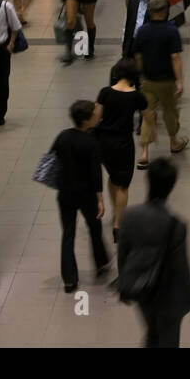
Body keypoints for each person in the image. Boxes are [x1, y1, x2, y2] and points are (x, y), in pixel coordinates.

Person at [116, 158, 190, 347]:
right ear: (171, 187)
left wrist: (123, 284)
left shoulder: (129, 216)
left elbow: (122, 253)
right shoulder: (176, 225)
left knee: (152, 331)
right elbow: (182, 266)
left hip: (142, 289)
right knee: (168, 339)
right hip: (168, 294)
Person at [50, 100, 109, 293]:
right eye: (93, 114)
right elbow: (96, 173)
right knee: (94, 226)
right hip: (86, 195)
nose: (96, 116)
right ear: (85, 120)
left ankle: (69, 279)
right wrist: (100, 198)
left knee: (68, 234)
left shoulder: (63, 136)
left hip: (65, 194)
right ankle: (101, 263)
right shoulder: (91, 143)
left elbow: (52, 160)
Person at [93, 61, 148, 242]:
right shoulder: (138, 97)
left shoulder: (105, 92)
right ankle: (118, 225)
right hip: (123, 143)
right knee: (123, 185)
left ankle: (115, 209)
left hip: (104, 143)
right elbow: (149, 117)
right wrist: (152, 134)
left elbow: (95, 119)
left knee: (113, 177)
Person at [133, 0, 187, 169]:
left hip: (148, 79)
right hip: (167, 81)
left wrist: (141, 75)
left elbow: (138, 55)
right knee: (170, 111)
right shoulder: (171, 30)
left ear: (150, 12)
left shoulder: (142, 31)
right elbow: (175, 57)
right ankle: (174, 142)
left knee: (148, 115)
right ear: (166, 11)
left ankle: (144, 153)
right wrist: (179, 81)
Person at [0, 0, 23, 126]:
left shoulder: (5, 7)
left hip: (1, 49)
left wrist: (11, 43)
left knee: (2, 83)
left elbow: (16, 27)